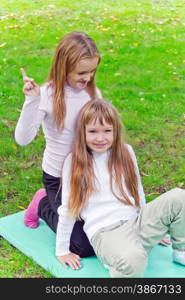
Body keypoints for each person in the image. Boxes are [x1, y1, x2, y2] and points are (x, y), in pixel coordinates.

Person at [55, 99, 185, 277]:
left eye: (107, 131)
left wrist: (153, 226)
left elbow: (137, 190)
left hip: (135, 222)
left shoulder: (126, 152)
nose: (100, 138)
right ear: (82, 132)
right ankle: (121, 262)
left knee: (179, 197)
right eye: (93, 131)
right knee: (134, 260)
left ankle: (181, 252)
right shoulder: (74, 162)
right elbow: (68, 208)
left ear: (115, 131)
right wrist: (62, 250)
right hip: (106, 233)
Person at [15, 31, 102, 257]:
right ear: (64, 67)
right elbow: (22, 139)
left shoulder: (93, 93)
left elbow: (104, 135)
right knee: (82, 245)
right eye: (82, 72)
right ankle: (43, 202)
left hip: (88, 176)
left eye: (92, 71)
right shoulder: (46, 95)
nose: (88, 77)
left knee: (100, 231)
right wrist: (32, 101)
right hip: (59, 180)